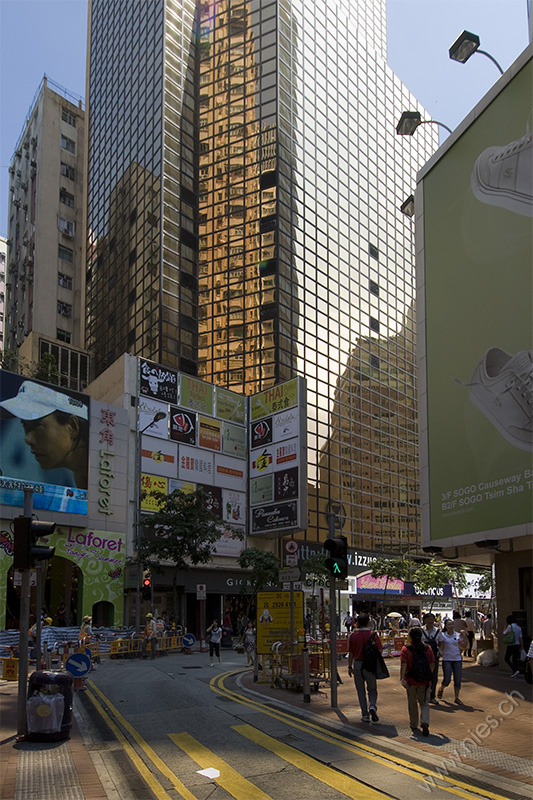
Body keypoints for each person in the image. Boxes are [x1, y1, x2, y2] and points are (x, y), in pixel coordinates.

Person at [0, 380, 89, 489]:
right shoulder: (82, 475)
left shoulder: (105, 466)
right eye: (25, 425)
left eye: (38, 425)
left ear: (73, 427)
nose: (28, 439)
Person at [347, 612, 383, 723]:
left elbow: (351, 653)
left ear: (357, 623)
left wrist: (349, 666)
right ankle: (372, 706)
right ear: (368, 622)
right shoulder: (373, 635)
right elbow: (380, 650)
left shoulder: (353, 635)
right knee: (372, 689)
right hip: (370, 665)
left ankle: (365, 715)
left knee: (360, 690)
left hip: (357, 664)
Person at [400, 626, 435, 735]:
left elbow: (404, 665)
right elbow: (432, 664)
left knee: (412, 703)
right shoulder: (427, 648)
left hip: (411, 681)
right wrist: (428, 676)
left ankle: (414, 724)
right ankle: (425, 721)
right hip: (424, 682)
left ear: (410, 637)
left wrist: (402, 678)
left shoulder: (406, 649)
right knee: (424, 703)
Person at [436, 618, 467, 704]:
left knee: (457, 679)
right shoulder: (442, 635)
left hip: (457, 659)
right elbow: (440, 645)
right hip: (447, 659)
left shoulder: (457, 635)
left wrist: (464, 637)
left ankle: (457, 697)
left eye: (452, 624)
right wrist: (440, 652)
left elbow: (464, 646)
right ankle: (441, 688)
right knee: (447, 679)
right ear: (445, 626)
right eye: (449, 624)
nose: (451, 626)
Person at [421, 613, 440, 703]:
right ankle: (423, 695)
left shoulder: (437, 631)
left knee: (434, 677)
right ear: (424, 620)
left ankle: (432, 696)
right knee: (423, 676)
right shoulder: (421, 630)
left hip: (434, 658)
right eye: (428, 619)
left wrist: (441, 652)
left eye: (432, 619)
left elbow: (441, 642)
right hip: (422, 658)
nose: (430, 621)